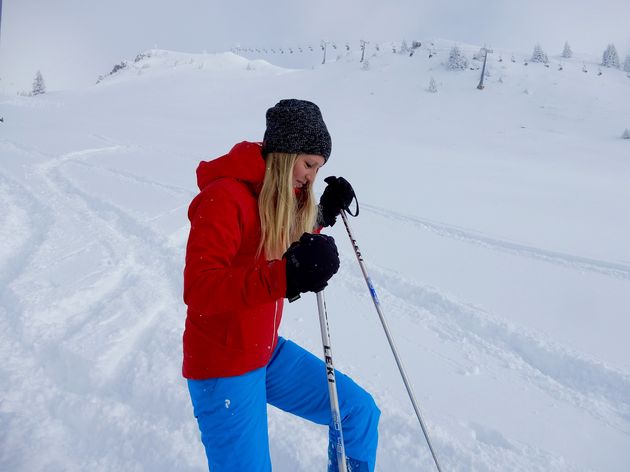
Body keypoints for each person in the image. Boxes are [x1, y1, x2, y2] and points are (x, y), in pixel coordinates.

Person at [182, 99, 380, 471]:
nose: (310, 176)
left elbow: (287, 237)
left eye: (318, 168)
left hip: (265, 351)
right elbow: (199, 288)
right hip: (223, 366)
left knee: (358, 412)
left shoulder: (279, 196)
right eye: (308, 164)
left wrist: (322, 214)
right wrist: (286, 275)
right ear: (285, 153)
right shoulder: (223, 196)